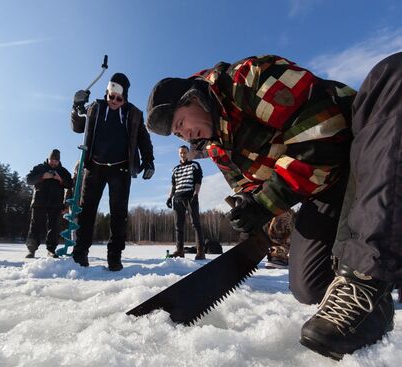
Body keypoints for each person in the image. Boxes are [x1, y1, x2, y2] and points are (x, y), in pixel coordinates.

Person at [145, 53, 401, 360]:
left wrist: (264, 202)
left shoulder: (248, 80)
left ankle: (367, 281)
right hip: (323, 189)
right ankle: (379, 296)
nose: (185, 135)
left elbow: (322, 135)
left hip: (354, 154)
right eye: (177, 133)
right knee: (309, 286)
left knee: (390, 75)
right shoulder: (216, 147)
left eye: (181, 123)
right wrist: (250, 211)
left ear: (193, 97)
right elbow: (249, 187)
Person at [71, 73, 155, 271]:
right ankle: (80, 252)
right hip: (95, 167)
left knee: (118, 214)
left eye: (119, 98)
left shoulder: (134, 114)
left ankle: (114, 256)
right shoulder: (95, 108)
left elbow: (144, 139)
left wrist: (149, 160)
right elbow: (77, 127)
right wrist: (76, 108)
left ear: (125, 97)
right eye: (111, 97)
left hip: (121, 168)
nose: (114, 101)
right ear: (106, 93)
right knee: (87, 211)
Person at [25, 149, 72, 258]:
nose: (53, 162)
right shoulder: (39, 168)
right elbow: (28, 180)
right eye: (52, 159)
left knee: (54, 228)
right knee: (35, 226)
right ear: (48, 158)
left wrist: (60, 179)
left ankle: (51, 250)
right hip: (39, 202)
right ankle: (31, 250)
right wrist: (42, 176)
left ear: (59, 160)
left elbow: (70, 184)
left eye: (56, 160)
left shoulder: (63, 171)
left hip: (56, 204)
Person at [166, 145, 205, 260]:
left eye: (184, 152)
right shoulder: (175, 169)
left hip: (190, 197)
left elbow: (198, 182)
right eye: (181, 153)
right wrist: (170, 197)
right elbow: (173, 185)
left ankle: (200, 251)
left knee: (196, 224)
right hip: (177, 198)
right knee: (178, 226)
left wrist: (196, 195)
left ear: (188, 153)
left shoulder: (195, 165)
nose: (182, 154)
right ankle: (179, 250)